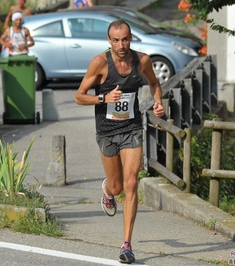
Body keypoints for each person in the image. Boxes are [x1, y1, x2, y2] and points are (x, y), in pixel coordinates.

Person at [74, 19, 164, 264]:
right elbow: (79, 97)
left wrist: (158, 101)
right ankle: (107, 190)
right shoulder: (99, 63)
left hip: (132, 128)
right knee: (117, 188)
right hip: (106, 132)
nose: (121, 44)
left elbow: (154, 82)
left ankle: (127, 245)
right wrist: (104, 98)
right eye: (116, 40)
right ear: (109, 41)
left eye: (125, 39)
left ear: (130, 38)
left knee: (132, 183)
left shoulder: (142, 60)